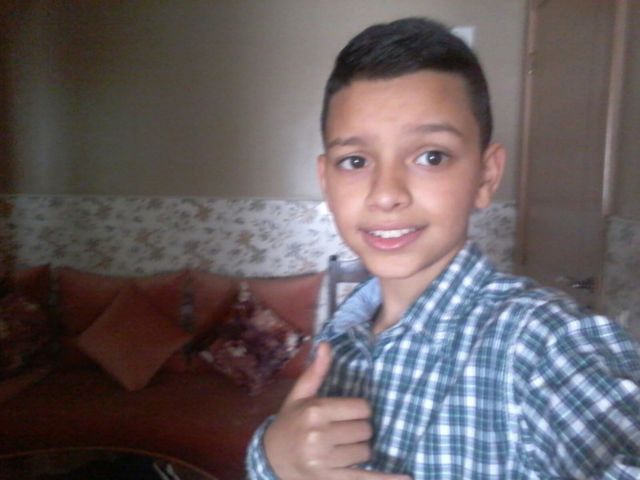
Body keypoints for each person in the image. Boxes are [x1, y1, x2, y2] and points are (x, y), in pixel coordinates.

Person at [246, 17, 640, 479]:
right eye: (354, 161)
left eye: (431, 156)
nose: (386, 194)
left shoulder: (541, 341)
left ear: (486, 177)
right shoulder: (341, 333)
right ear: (326, 181)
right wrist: (272, 459)